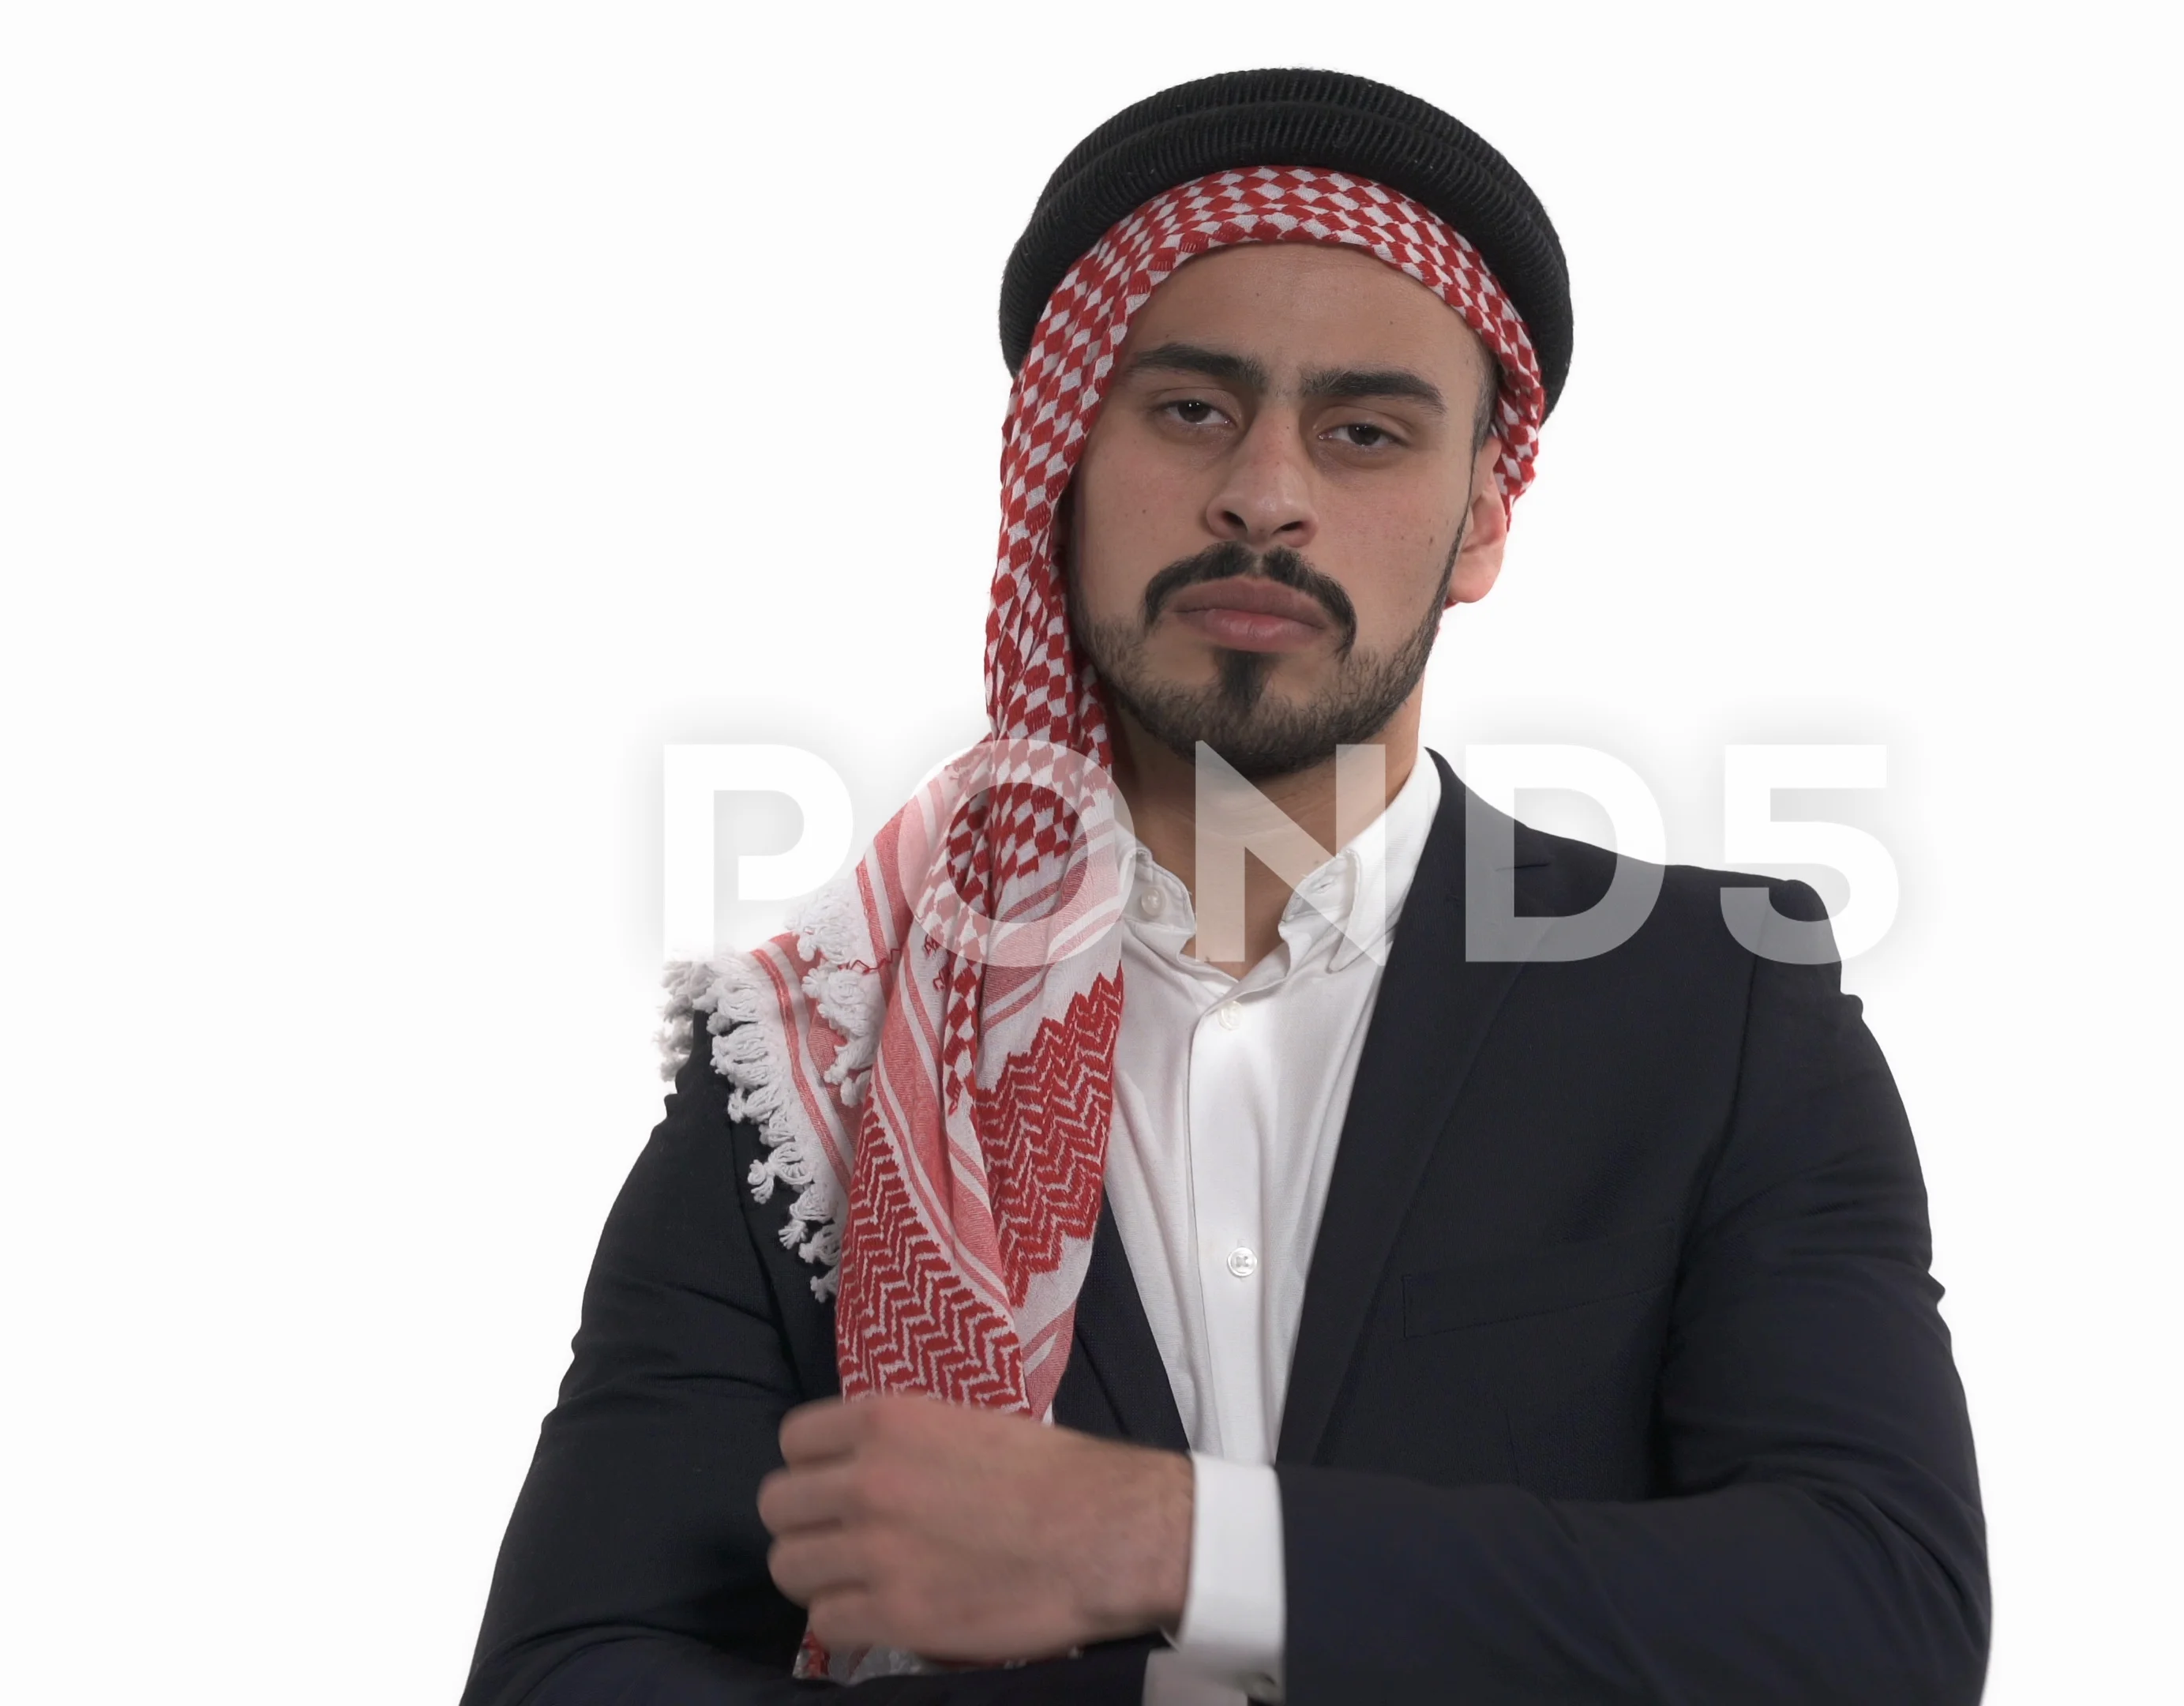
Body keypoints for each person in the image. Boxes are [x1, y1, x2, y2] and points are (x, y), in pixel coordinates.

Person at [462, 67, 1989, 1706]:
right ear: (1056, 469)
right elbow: (572, 1674)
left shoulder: (1719, 1007)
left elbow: (1874, 1623)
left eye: (1365, 431)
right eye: (1190, 409)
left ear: (1482, 517)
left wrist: (1177, 1546)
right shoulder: (816, 1060)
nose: (1266, 491)